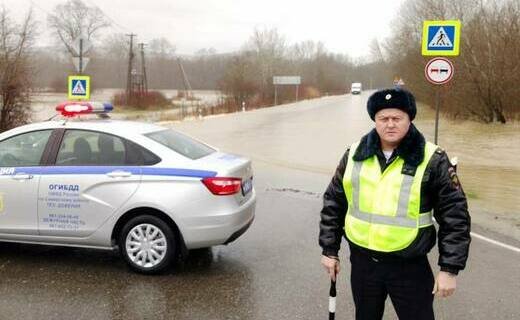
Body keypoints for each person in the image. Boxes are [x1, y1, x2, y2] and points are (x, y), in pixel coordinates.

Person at [319, 88, 471, 320]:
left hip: (409, 265)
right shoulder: (354, 154)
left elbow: (455, 216)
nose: (390, 124)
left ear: (409, 119)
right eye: (384, 118)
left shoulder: (432, 158)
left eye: (397, 118)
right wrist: (330, 250)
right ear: (375, 120)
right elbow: (334, 202)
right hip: (363, 264)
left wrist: (449, 269)